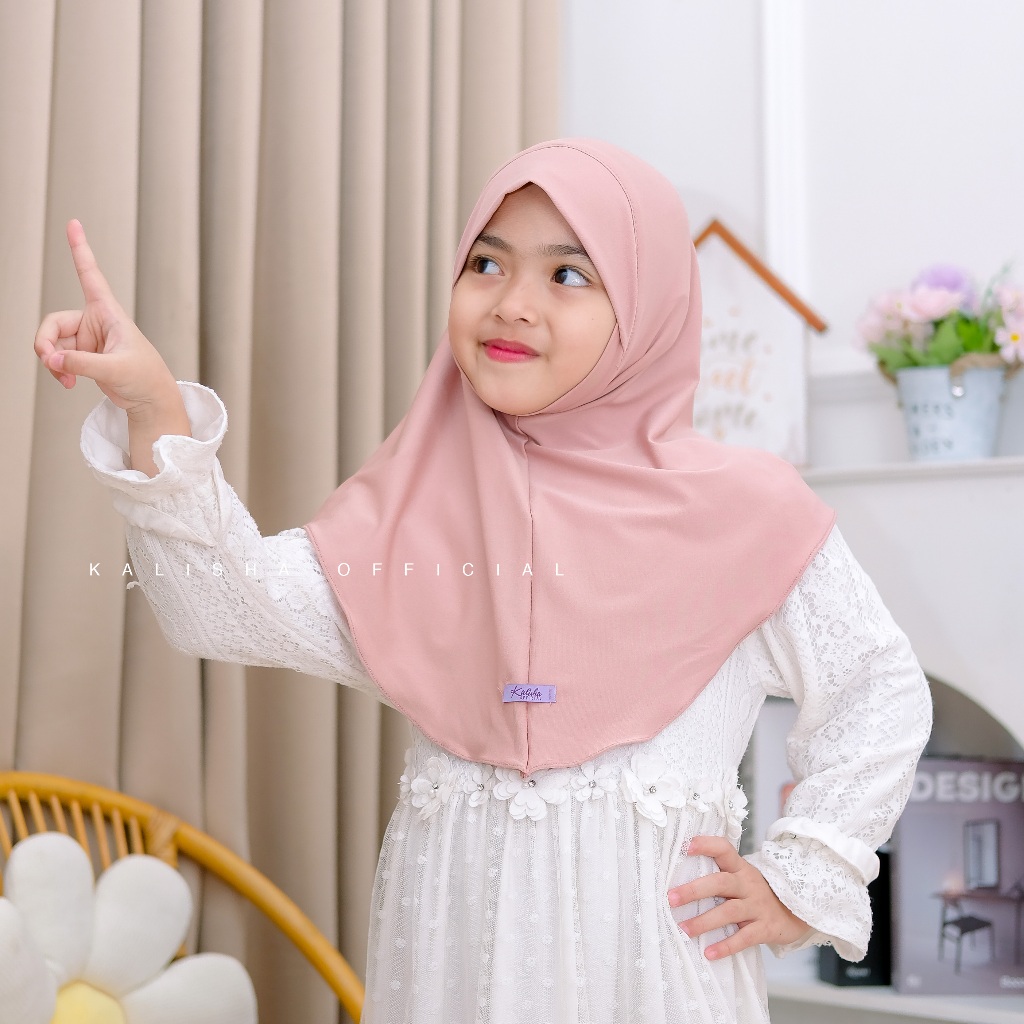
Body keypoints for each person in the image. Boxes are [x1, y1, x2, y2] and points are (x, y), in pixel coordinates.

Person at [36, 138, 933, 1023]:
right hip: (452, 975)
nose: (512, 305)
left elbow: (878, 688)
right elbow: (221, 610)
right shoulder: (414, 515)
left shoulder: (746, 513)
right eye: (486, 264)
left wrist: (803, 873)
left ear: (647, 309)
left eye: (568, 275)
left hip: (654, 986)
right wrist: (153, 410)